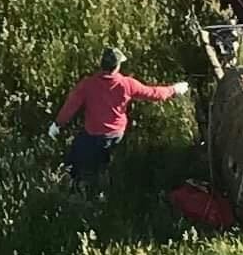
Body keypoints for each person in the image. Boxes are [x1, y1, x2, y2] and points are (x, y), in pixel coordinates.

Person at [55, 47, 189, 194]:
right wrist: (174, 89)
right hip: (116, 134)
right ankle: (102, 187)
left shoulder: (88, 84)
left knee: (78, 157)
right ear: (117, 66)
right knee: (104, 161)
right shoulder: (127, 84)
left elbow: (70, 106)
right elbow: (154, 93)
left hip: (92, 134)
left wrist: (57, 124)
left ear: (101, 64)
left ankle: (78, 186)